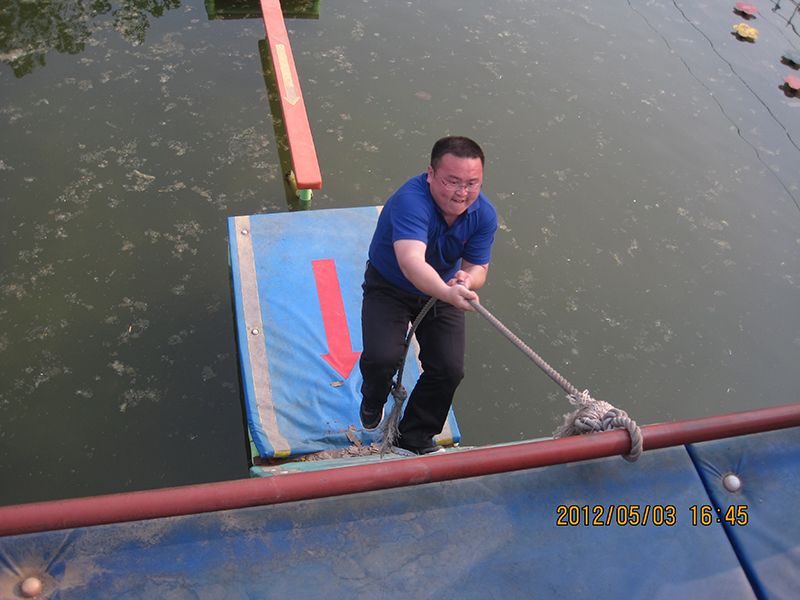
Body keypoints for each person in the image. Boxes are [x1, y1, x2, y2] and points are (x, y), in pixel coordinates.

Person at [359, 136, 498, 455]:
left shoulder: (484, 213)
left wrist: (468, 279)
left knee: (449, 368)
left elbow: (478, 266)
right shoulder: (411, 201)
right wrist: (448, 291)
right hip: (390, 285)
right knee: (382, 358)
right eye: (452, 181)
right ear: (431, 174)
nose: (462, 193)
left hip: (442, 291)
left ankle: (414, 437)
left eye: (472, 183)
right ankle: (373, 397)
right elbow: (411, 262)